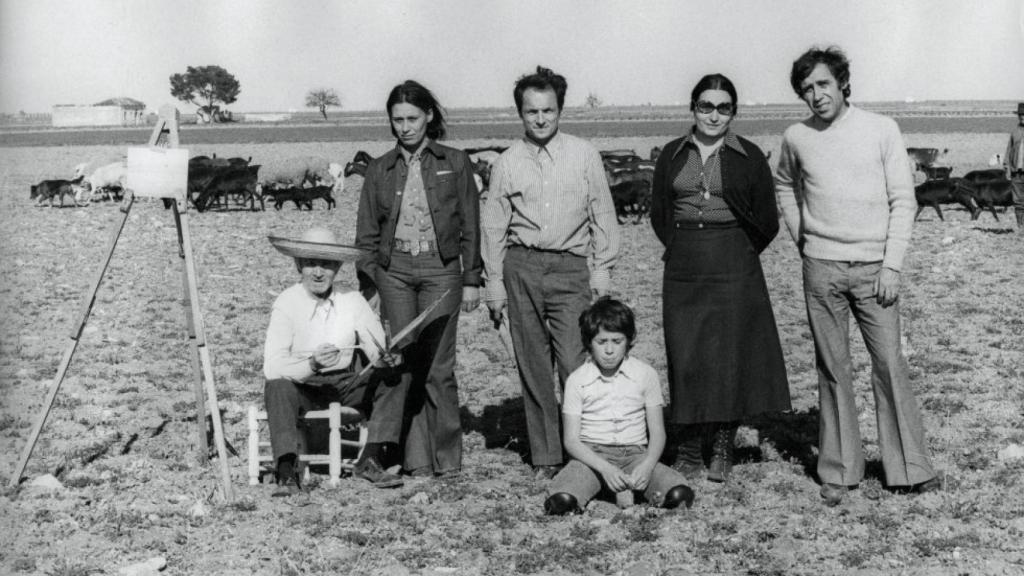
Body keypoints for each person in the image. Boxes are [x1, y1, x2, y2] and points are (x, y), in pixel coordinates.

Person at [775, 46, 940, 505]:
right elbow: (784, 185)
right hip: (821, 268)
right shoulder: (796, 136)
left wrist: (892, 264)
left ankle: (909, 468)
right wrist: (802, 236)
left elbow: (903, 201)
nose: (816, 95)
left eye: (823, 84)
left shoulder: (881, 129)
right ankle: (840, 470)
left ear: (843, 83)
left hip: (875, 271)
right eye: (806, 89)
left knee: (889, 363)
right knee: (833, 368)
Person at [650, 74, 791, 483]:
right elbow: (660, 212)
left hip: (734, 260)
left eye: (723, 107)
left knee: (730, 354)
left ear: (734, 112)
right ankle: (691, 447)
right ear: (692, 108)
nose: (714, 115)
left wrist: (740, 251)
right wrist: (681, 247)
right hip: (684, 262)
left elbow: (767, 219)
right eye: (706, 106)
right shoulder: (672, 154)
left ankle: (723, 447)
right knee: (687, 352)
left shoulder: (748, 155)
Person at [481, 66, 620, 479]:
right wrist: (493, 282)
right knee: (533, 364)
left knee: (576, 363)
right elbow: (494, 226)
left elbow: (603, 213)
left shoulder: (584, 154)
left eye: (548, 110)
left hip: (571, 268)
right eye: (531, 112)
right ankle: (546, 457)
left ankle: (585, 450)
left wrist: (602, 268)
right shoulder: (506, 163)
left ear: (560, 109)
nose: (541, 119)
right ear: (520, 114)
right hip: (520, 266)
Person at [356, 80, 481, 477]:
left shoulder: (456, 162)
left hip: (441, 271)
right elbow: (366, 235)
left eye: (412, 118)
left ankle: (447, 460)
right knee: (401, 364)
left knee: (439, 368)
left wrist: (472, 277)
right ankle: (415, 460)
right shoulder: (379, 169)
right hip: (394, 273)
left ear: (429, 116)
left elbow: (470, 225)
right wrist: (370, 285)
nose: (405, 127)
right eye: (397, 120)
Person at [263, 227, 405, 493]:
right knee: (277, 386)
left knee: (395, 377)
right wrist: (312, 364)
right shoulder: (286, 303)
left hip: (345, 384)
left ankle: (370, 459)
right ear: (298, 265)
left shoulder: (352, 299)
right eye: (311, 264)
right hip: (302, 386)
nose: (319, 272)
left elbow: (375, 349)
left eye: (327, 265)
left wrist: (385, 359)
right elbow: (272, 366)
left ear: (338, 267)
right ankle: (285, 469)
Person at [543, 298, 694, 515]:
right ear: (589, 342)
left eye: (617, 341)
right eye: (601, 342)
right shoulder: (578, 379)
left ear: (629, 340)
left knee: (679, 496)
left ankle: (619, 487)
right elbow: (572, 440)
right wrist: (605, 468)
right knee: (562, 502)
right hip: (592, 457)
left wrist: (648, 465)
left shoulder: (645, 374)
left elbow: (658, 432)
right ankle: (603, 486)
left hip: (635, 456)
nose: (609, 350)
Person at [1003, 102, 1024, 229]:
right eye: (1020, 115)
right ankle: (1020, 226)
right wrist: (1007, 167)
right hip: (1017, 172)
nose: (1022, 117)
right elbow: (1008, 151)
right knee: (1018, 200)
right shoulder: (1014, 132)